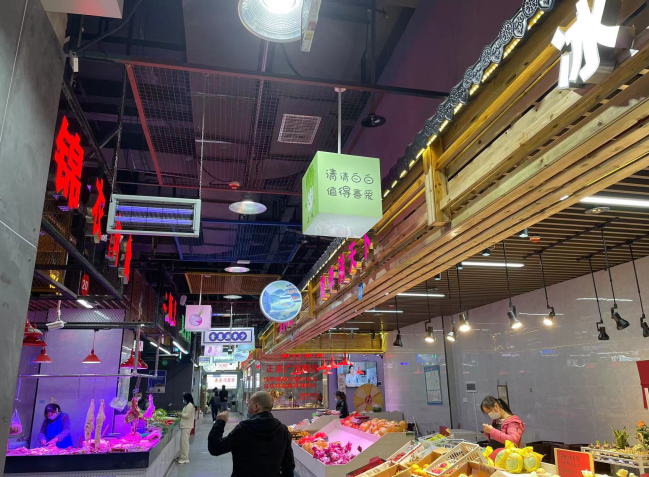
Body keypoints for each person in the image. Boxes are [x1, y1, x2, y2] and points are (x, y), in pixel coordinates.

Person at [208, 390, 294, 477]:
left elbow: (215, 447)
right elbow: (288, 467)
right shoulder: (283, 431)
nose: (248, 407)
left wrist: (220, 422)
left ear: (256, 407)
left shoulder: (243, 429)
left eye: (249, 404)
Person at [178, 393, 195, 464]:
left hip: (187, 426)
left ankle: (185, 458)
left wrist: (180, 414)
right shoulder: (188, 405)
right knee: (183, 442)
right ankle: (182, 456)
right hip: (185, 426)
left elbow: (187, 416)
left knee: (184, 443)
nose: (183, 400)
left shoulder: (190, 405)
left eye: (184, 399)